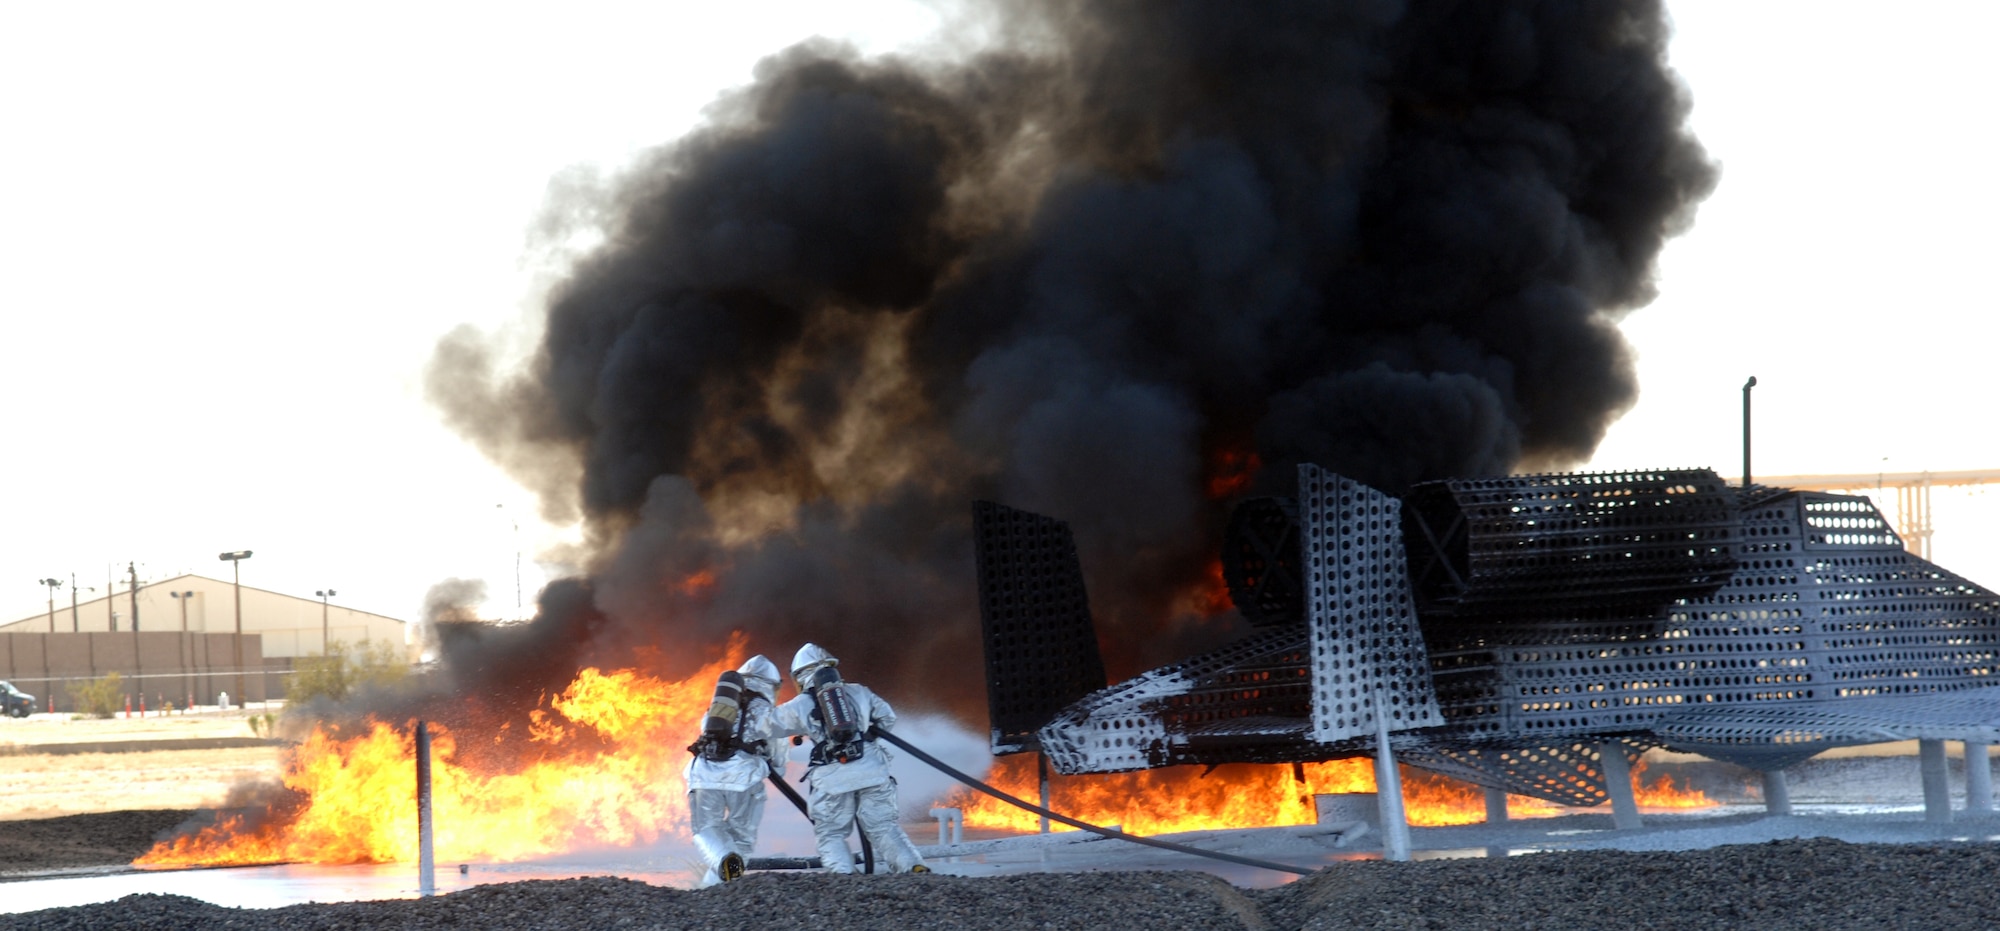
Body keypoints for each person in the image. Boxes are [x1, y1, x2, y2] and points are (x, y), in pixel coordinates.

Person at [773, 642, 929, 874]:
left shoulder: (801, 704)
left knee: (831, 833)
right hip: (873, 770)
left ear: (801, 676)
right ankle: (914, 867)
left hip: (831, 778)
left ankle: (845, 883)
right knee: (884, 827)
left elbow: (767, 726)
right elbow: (888, 719)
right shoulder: (859, 691)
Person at [684, 654, 784, 885]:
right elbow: (778, 758)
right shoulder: (765, 710)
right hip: (744, 780)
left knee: (706, 830)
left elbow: (706, 733)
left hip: (703, 777)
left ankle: (713, 882)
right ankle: (725, 870)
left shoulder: (718, 708)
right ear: (772, 685)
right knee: (742, 838)